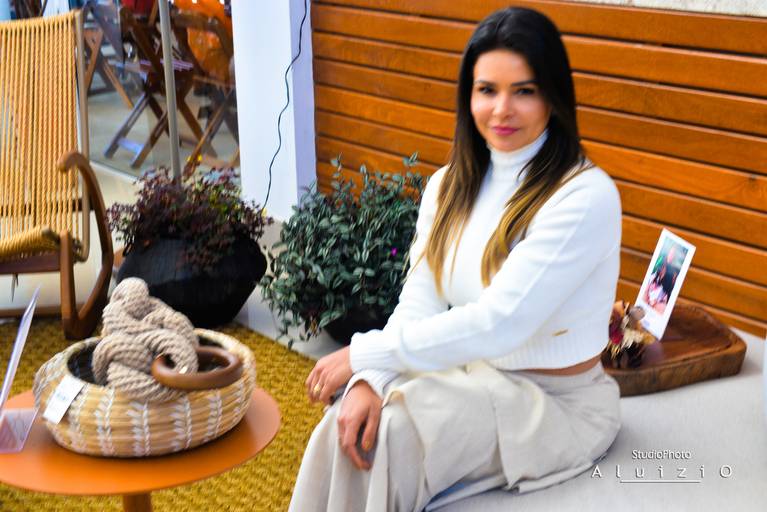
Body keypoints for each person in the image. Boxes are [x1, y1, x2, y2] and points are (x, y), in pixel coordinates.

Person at [290, 7, 622, 511]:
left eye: (524, 91)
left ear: (553, 97)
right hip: (469, 372)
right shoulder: (448, 185)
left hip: (554, 406)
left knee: (389, 435)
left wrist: (362, 355)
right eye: (487, 90)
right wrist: (370, 378)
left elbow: (500, 323)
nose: (502, 109)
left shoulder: (584, 196)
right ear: (469, 95)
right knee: (350, 417)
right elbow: (419, 303)